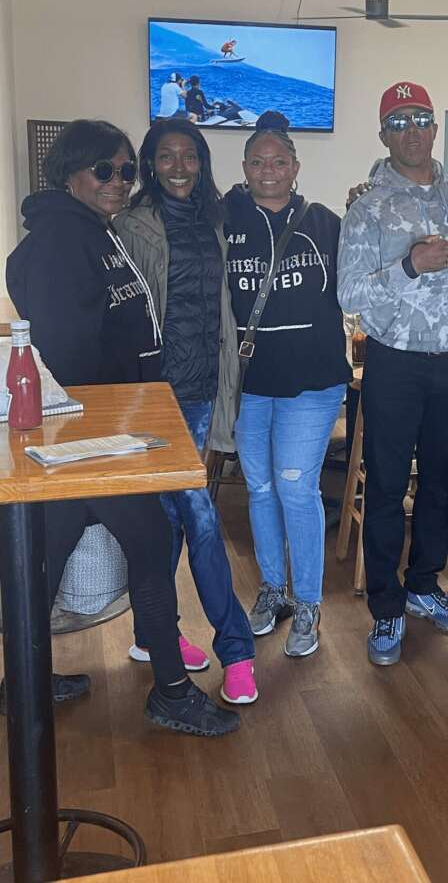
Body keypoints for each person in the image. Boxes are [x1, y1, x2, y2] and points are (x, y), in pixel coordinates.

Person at [5, 119, 239, 736]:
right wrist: (124, 418)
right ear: (69, 174)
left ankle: (22, 682)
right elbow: (68, 355)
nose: (118, 181)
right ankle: (171, 692)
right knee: (150, 547)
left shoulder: (93, 230)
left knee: (48, 556)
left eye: (126, 170)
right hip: (93, 438)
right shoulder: (62, 242)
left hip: (104, 430)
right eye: (104, 170)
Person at [338, 81, 448, 666]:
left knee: (440, 480)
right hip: (395, 362)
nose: (412, 131)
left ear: (435, 127)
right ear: (384, 134)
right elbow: (348, 294)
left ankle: (424, 584)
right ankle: (386, 606)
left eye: (421, 118)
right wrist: (410, 264)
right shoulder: (367, 207)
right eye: (399, 122)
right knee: (384, 486)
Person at [115, 118, 257, 705]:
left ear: (202, 162)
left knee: (172, 517)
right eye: (167, 156)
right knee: (197, 515)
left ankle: (153, 634)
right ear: (150, 164)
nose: (180, 167)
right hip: (153, 395)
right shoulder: (130, 226)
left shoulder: (216, 219)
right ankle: (237, 649)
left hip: (201, 390)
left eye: (190, 156)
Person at [225, 112, 350, 658]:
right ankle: (273, 589)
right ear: (244, 167)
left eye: (279, 161)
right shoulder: (224, 222)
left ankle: (308, 603)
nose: (268, 170)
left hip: (312, 382)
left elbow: (361, 281)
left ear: (296, 167)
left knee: (296, 488)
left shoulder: (325, 223)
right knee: (259, 489)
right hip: (249, 384)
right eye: (258, 161)